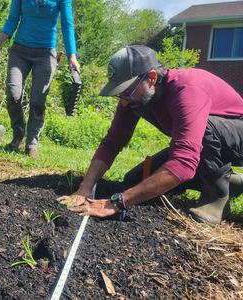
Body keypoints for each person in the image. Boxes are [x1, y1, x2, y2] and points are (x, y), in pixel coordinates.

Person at [58, 45, 243, 225]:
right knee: (135, 181)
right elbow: (112, 142)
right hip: (209, 144)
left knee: (204, 130)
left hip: (236, 132)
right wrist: (86, 187)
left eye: (126, 91)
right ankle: (229, 180)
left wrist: (116, 203)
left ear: (152, 78)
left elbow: (184, 162)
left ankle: (216, 193)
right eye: (119, 94)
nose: (122, 102)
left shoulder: (186, 90)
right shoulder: (133, 98)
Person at [0, 0, 80, 160]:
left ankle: (31, 144)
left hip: (46, 54)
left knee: (38, 101)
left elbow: (67, 25)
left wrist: (72, 56)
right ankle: (19, 135)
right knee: (13, 94)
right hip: (20, 51)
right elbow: (12, 19)